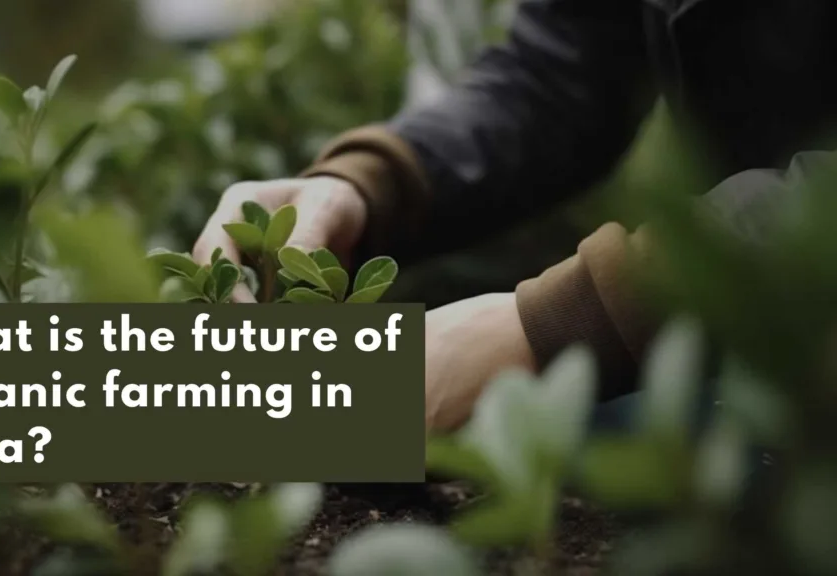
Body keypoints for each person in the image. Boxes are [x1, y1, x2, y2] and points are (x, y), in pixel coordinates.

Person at [193, 0, 837, 432]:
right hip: (744, 335)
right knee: (127, 399)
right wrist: (372, 181)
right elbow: (559, 75)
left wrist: (554, 323)